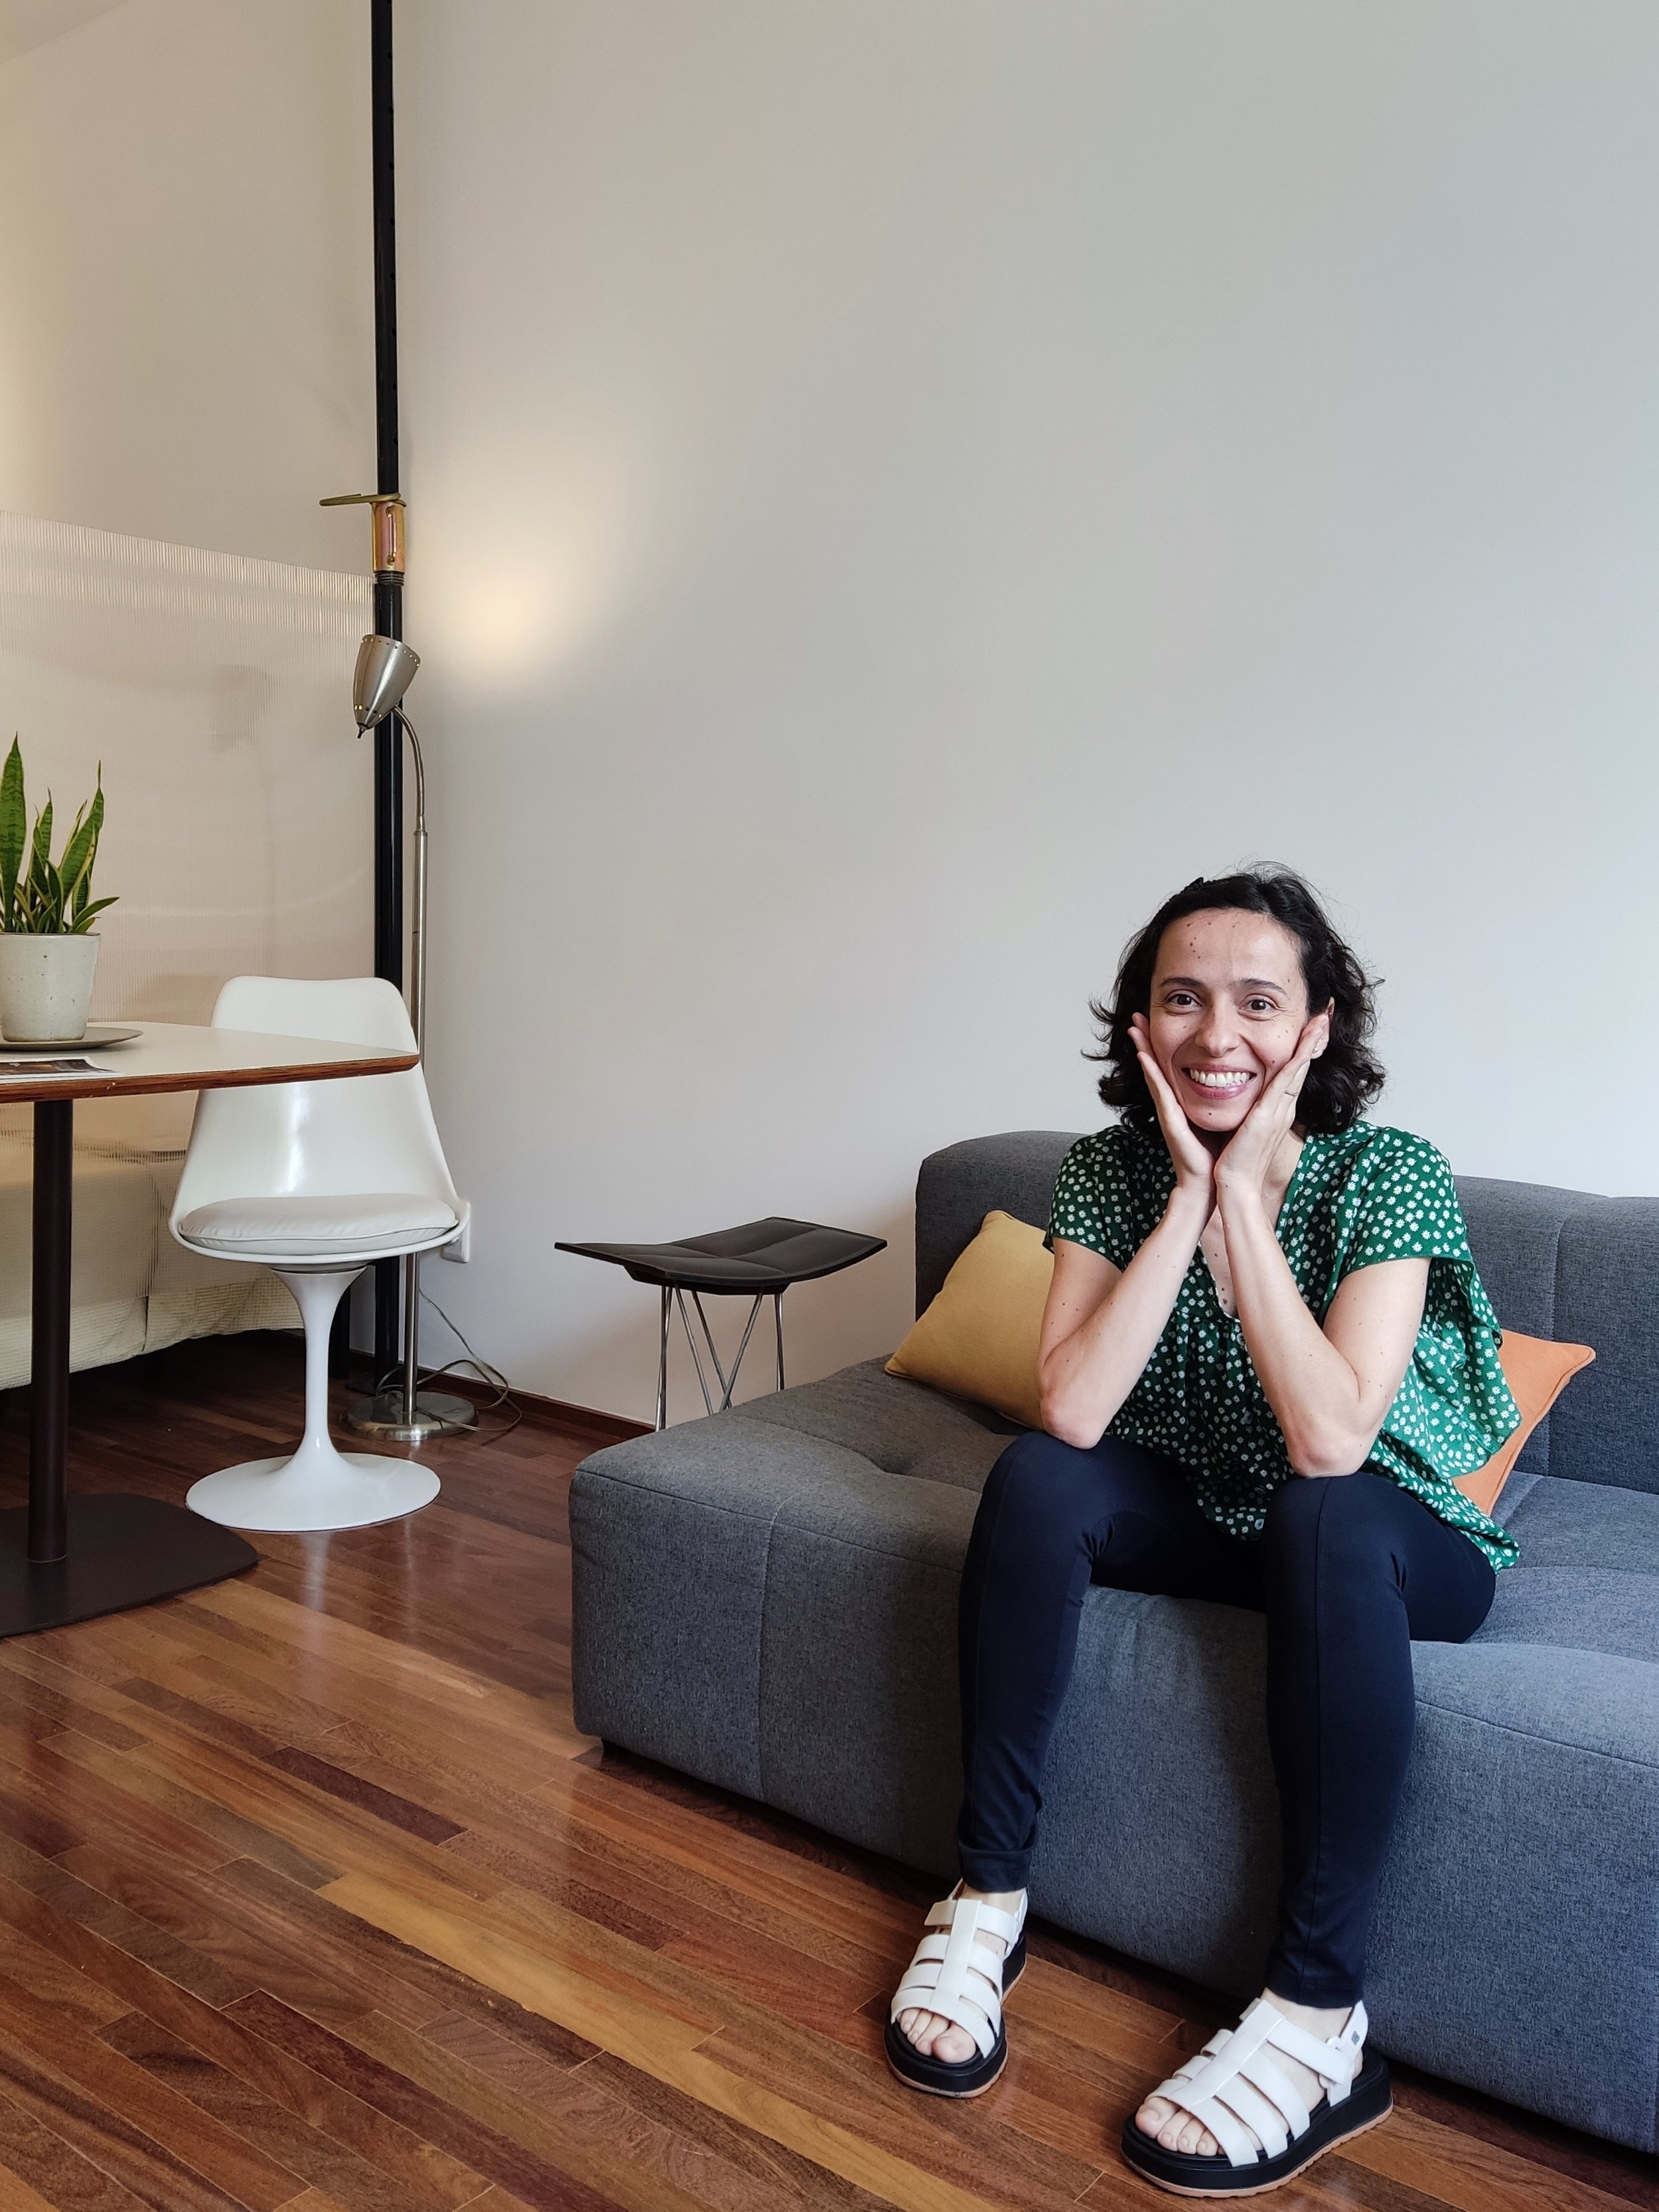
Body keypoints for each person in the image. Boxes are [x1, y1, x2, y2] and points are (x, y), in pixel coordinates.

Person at [885, 867, 1520, 2197]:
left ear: (1315, 1027)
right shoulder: (1108, 1173)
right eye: (1179, 998)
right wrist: (1185, 1195)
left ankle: (1317, 2010)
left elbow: (1332, 1435)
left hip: (1386, 1534)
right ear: (1136, 1024)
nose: (1213, 1034)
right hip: (1213, 1506)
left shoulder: (1385, 1173)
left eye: (1253, 1001)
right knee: (1036, 1480)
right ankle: (984, 1899)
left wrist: (1247, 1204)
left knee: (1322, 1507)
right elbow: (1068, 1405)